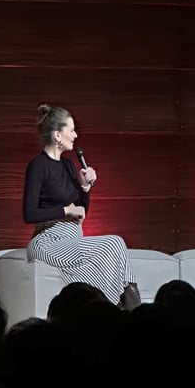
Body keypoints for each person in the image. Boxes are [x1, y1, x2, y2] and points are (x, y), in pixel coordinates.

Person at [23, 103, 140, 310]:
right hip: (48, 241)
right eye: (72, 130)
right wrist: (66, 211)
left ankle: (113, 309)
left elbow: (82, 210)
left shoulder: (68, 165)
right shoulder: (38, 166)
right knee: (114, 243)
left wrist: (85, 187)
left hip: (73, 238)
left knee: (110, 254)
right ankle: (127, 310)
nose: (76, 135)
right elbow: (29, 213)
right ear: (57, 135)